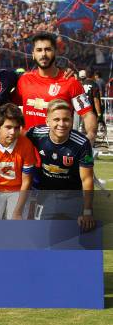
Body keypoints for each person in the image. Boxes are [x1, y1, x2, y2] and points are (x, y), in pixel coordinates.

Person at [13, 33, 97, 143]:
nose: (43, 54)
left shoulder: (70, 82)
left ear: (56, 52)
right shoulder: (24, 80)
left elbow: (87, 114)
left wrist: (90, 136)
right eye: (39, 50)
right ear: (33, 54)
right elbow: (10, 108)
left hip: (59, 151)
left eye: (48, 49)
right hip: (28, 149)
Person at [26, 99, 95, 230]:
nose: (61, 124)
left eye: (66, 119)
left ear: (71, 120)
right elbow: (16, 137)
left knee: (74, 242)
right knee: (41, 239)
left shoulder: (82, 143)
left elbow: (86, 179)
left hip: (73, 198)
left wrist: (87, 212)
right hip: (46, 197)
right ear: (47, 121)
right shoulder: (35, 133)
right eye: (56, 119)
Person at [0, 104, 36, 219]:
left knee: (17, 229)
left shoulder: (26, 144)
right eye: (8, 127)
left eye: (17, 127)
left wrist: (18, 212)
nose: (13, 132)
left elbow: (26, 182)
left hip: (18, 190)